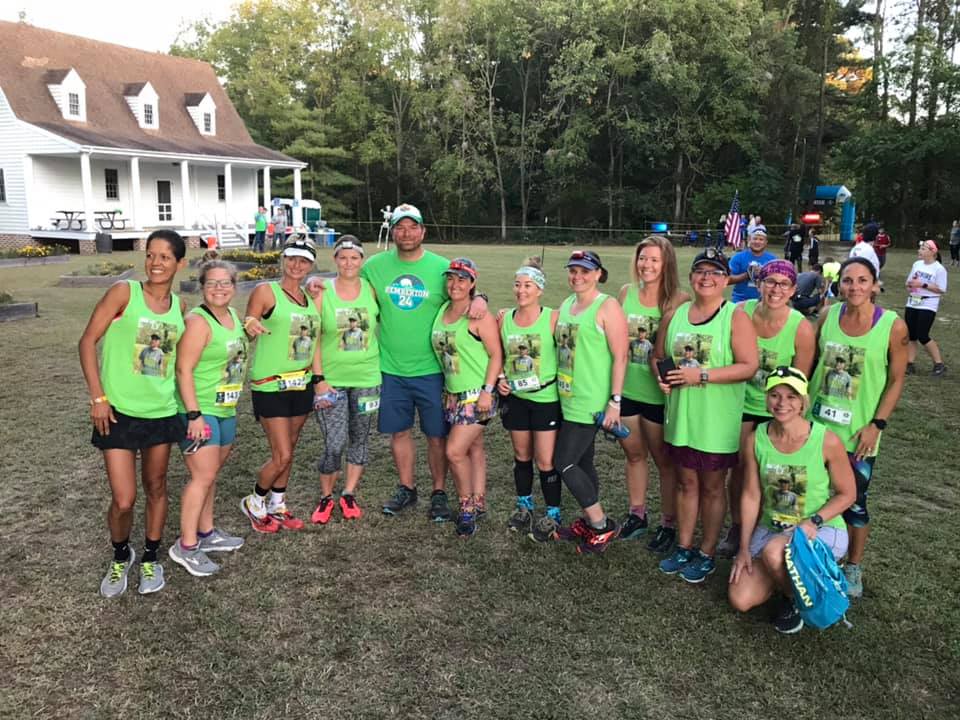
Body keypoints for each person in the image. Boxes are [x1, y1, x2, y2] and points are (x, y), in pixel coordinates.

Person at [79, 229, 188, 597]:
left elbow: (184, 363)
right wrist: (98, 398)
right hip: (118, 412)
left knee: (156, 486)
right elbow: (86, 341)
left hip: (161, 411)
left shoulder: (181, 308)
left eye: (165, 257)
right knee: (124, 498)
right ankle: (120, 554)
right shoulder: (124, 293)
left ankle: (151, 558)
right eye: (151, 255)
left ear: (179, 263)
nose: (156, 263)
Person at [360, 203, 485, 522]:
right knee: (399, 432)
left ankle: (439, 492)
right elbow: (349, 288)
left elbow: (466, 291)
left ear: (423, 231)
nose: (406, 233)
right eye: (400, 227)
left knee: (436, 435)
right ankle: (406, 487)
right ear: (393, 231)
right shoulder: (374, 266)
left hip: (433, 370)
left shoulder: (440, 267)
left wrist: (482, 298)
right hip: (391, 367)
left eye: (412, 226)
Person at [654, 248, 759, 583]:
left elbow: (748, 366)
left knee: (713, 486)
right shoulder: (677, 314)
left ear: (726, 280)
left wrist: (699, 376)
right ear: (691, 277)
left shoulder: (735, 316)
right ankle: (684, 545)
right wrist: (664, 378)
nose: (706, 278)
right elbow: (659, 356)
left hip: (716, 420)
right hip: (682, 416)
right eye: (700, 271)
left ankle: (707, 551)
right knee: (686, 482)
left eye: (715, 272)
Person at [728, 367, 856, 634]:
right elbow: (751, 495)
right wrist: (742, 547)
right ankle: (786, 577)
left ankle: (794, 600)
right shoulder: (756, 438)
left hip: (819, 528)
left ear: (803, 402)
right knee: (740, 599)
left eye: (791, 396)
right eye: (774, 395)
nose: (782, 403)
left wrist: (814, 521)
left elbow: (848, 493)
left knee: (776, 551)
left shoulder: (825, 439)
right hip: (774, 526)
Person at [809, 257, 908, 597]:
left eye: (862, 281)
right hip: (817, 429)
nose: (854, 287)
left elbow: (896, 380)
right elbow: (811, 366)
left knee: (855, 502)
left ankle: (853, 565)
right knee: (815, 495)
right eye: (848, 280)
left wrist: (877, 424)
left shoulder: (892, 326)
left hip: (858, 435)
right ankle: (813, 555)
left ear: (875, 285)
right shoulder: (827, 316)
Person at [717, 260, 814, 559]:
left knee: (767, 474)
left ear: (793, 290)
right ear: (759, 283)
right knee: (738, 470)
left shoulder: (800, 327)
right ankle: (737, 526)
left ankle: (762, 527)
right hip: (735, 404)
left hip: (774, 409)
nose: (776, 289)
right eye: (770, 281)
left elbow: (799, 382)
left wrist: (787, 418)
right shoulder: (740, 311)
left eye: (783, 284)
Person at [239, 237, 323, 533]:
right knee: (282, 454)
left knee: (292, 448)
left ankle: (277, 504)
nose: (297, 265)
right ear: (283, 259)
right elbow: (249, 324)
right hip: (269, 384)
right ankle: (255, 501)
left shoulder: (310, 299)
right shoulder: (266, 291)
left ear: (311, 264)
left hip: (300, 383)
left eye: (304, 260)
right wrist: (248, 324)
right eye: (292, 258)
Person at [168, 260, 246, 577]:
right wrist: (194, 414)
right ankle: (185, 546)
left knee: (210, 474)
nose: (219, 288)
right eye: (211, 283)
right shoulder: (198, 321)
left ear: (234, 286)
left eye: (225, 282)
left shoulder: (232, 317)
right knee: (202, 476)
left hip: (225, 407)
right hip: (200, 410)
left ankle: (207, 532)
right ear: (202, 287)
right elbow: (182, 369)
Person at [550, 250, 628, 554]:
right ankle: (590, 518)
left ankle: (601, 526)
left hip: (592, 400)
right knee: (582, 461)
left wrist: (615, 402)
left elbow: (620, 356)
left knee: (563, 461)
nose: (577, 277)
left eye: (585, 271)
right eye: (573, 271)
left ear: (598, 274)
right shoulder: (568, 303)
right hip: (567, 396)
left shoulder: (607, 306)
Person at [617, 236, 689, 552]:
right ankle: (637, 514)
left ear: (666, 264)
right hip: (627, 390)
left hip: (660, 395)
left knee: (664, 461)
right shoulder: (624, 293)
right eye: (642, 258)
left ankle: (668, 523)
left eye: (654, 260)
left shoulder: (678, 299)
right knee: (634, 454)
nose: (646, 265)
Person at [309, 236, 381, 524]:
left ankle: (349, 493)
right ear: (335, 260)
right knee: (334, 443)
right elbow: (311, 336)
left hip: (367, 378)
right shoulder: (322, 291)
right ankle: (326, 497)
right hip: (332, 381)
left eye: (354, 257)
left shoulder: (371, 290)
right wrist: (319, 379)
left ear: (361, 261)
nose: (349, 263)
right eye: (343, 257)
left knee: (360, 438)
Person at [431, 258, 503, 537]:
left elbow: (496, 354)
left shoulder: (479, 315)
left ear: (473, 283)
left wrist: (487, 391)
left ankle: (466, 508)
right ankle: (479, 498)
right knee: (474, 447)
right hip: (452, 394)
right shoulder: (441, 310)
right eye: (451, 278)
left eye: (462, 279)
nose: (455, 284)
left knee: (454, 451)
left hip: (477, 395)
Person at [496, 258, 563, 540]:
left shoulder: (553, 318)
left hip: (546, 398)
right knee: (522, 457)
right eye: (518, 284)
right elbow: (496, 354)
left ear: (540, 289)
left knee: (545, 460)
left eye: (528, 285)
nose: (521, 290)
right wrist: (500, 378)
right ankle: (524, 506)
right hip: (517, 400)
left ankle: (553, 513)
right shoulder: (504, 319)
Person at [904, 239, 948, 376]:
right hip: (912, 302)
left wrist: (923, 285)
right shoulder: (917, 264)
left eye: (923, 248)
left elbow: (941, 289)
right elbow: (909, 282)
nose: (920, 251)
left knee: (923, 335)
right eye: (920, 248)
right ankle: (909, 364)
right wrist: (910, 286)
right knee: (911, 335)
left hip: (928, 304)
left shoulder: (939, 269)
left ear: (932, 252)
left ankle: (939, 364)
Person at [728, 229, 777, 303]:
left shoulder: (772, 259)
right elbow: (727, 280)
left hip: (764, 300)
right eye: (755, 239)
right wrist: (748, 274)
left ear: (766, 242)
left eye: (761, 239)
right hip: (740, 299)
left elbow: (777, 280)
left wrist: (763, 274)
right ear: (749, 240)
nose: (757, 242)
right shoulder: (738, 257)